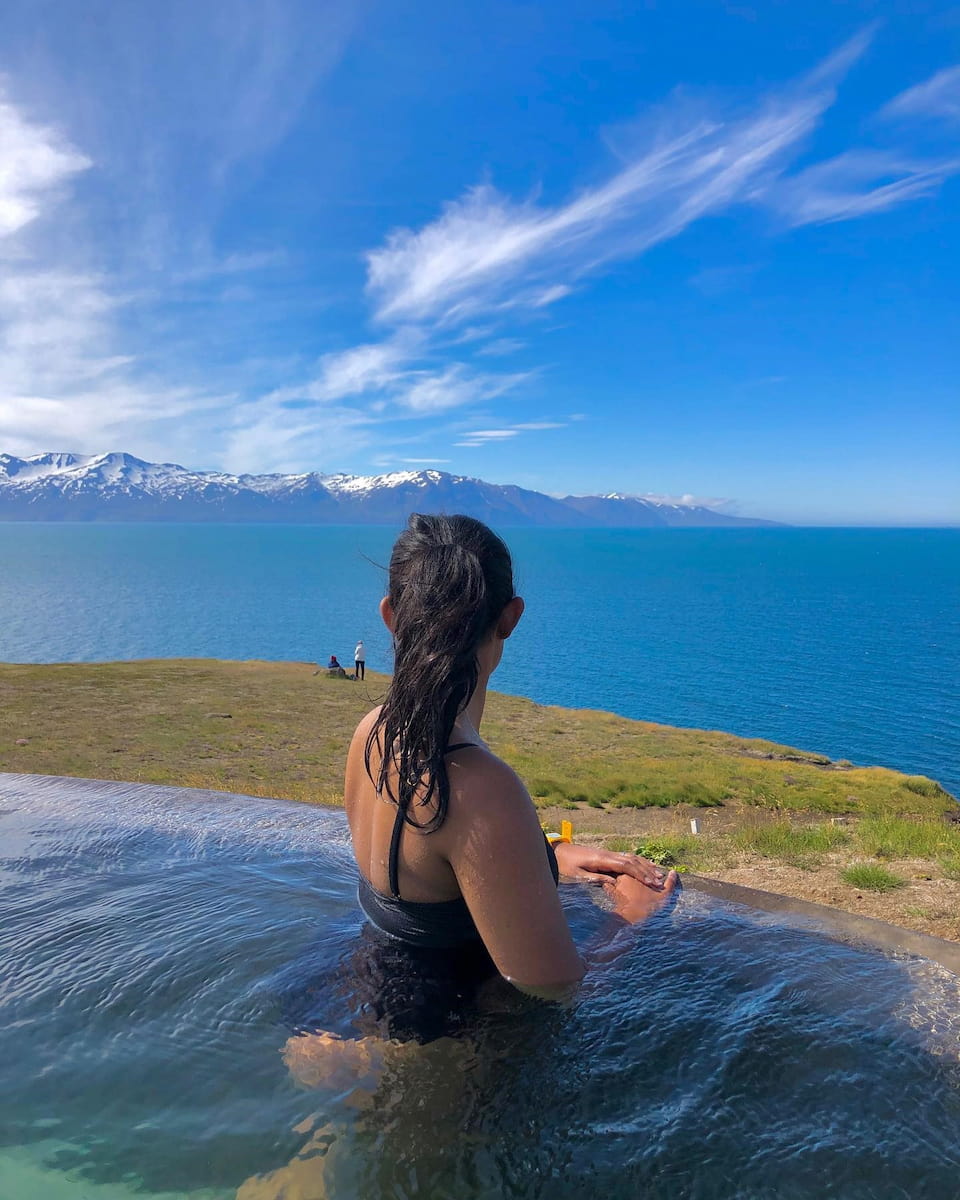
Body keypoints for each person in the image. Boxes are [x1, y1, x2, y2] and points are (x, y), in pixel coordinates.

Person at [343, 512, 677, 1007]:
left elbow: (428, 875)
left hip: (365, 988)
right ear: (510, 617)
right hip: (450, 1046)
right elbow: (556, 986)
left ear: (390, 615)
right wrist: (633, 916)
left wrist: (545, 855)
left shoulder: (373, 732)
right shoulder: (480, 786)